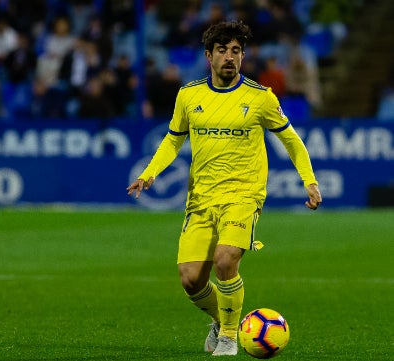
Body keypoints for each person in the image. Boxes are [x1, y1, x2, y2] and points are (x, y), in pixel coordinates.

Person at [126, 21, 322, 356]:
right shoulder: (189, 95)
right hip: (201, 198)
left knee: (226, 259)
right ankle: (223, 320)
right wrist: (149, 173)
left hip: (243, 195)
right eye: (222, 51)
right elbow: (173, 141)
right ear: (209, 56)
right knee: (190, 280)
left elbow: (291, 140)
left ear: (243, 57)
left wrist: (310, 180)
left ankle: (230, 336)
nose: (229, 57)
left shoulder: (260, 98)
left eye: (236, 51)